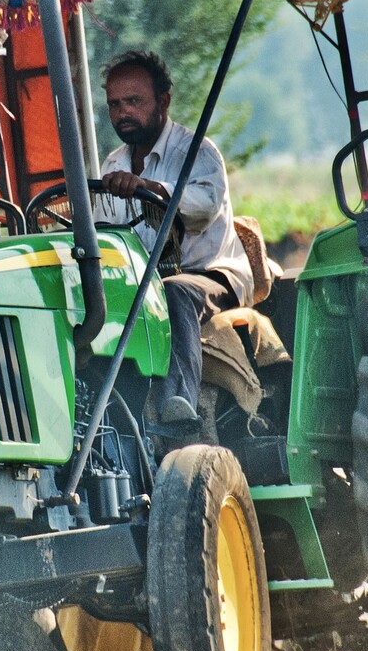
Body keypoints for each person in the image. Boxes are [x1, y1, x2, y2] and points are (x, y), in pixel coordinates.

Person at [97, 50, 252, 427]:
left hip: (208, 275)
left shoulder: (196, 151)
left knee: (175, 291)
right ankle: (105, 416)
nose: (123, 112)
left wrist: (149, 188)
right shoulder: (113, 163)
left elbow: (204, 206)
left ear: (163, 102)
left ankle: (177, 405)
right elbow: (105, 231)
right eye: (115, 104)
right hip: (142, 281)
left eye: (134, 101)